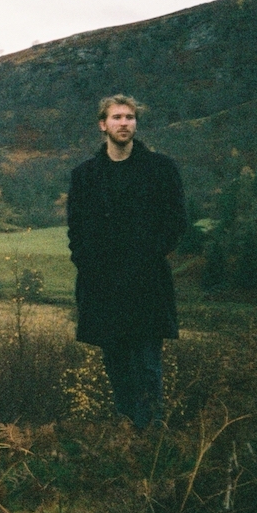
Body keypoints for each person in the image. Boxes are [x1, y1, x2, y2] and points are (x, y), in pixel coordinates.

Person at [67, 95, 189, 430]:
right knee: (117, 365)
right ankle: (126, 436)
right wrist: (88, 266)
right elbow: (76, 230)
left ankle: (152, 436)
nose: (125, 123)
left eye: (130, 117)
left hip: (146, 283)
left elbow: (176, 222)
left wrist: (147, 258)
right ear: (102, 125)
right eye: (117, 117)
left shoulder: (161, 169)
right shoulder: (85, 176)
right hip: (103, 286)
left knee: (148, 365)